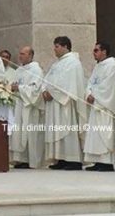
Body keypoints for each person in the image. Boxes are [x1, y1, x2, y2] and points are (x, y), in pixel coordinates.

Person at [42, 36, 87, 171]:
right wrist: (44, 90)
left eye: (57, 46)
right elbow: (46, 79)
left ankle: (73, 160)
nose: (54, 49)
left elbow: (68, 84)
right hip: (54, 103)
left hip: (65, 103)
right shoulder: (56, 64)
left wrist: (52, 93)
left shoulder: (73, 62)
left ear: (66, 46)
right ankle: (60, 158)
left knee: (67, 130)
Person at [83, 42, 115, 172]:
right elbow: (90, 82)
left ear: (104, 52)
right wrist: (88, 93)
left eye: (96, 50)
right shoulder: (98, 66)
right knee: (95, 134)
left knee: (104, 133)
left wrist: (95, 95)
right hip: (96, 105)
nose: (94, 53)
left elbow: (109, 87)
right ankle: (98, 161)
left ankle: (106, 163)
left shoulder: (112, 66)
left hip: (105, 107)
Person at [9, 46, 45, 169]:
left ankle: (32, 161)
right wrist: (13, 88)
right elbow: (14, 85)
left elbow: (35, 90)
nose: (20, 56)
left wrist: (19, 88)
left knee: (31, 134)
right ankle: (21, 159)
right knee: (19, 133)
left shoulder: (36, 70)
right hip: (19, 105)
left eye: (23, 54)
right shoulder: (19, 69)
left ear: (30, 56)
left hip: (30, 107)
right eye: (20, 53)